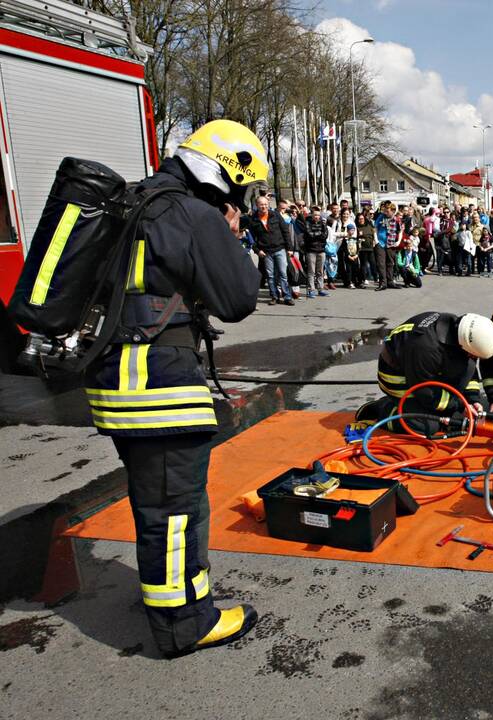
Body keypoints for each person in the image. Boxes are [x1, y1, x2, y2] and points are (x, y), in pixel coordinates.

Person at [84, 119, 266, 657]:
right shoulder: (189, 214)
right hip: (158, 384)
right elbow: (238, 298)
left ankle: (162, 594)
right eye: (241, 190)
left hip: (116, 380)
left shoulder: (133, 203)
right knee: (176, 508)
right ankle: (184, 621)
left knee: (153, 498)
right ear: (224, 175)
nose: (241, 201)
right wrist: (228, 236)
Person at [357, 312, 493, 435]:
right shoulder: (426, 347)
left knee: (467, 366)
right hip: (397, 378)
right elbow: (426, 393)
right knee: (428, 425)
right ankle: (384, 409)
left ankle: (410, 407)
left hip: (419, 372)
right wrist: (460, 405)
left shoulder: (457, 330)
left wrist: (472, 400)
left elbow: (468, 367)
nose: (475, 359)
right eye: (474, 355)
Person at [246, 195, 292, 305]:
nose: (264, 206)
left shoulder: (275, 215)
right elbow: (251, 238)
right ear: (257, 205)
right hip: (266, 252)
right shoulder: (253, 219)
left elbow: (285, 231)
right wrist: (257, 251)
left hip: (279, 248)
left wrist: (289, 248)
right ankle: (274, 296)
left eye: (266, 204)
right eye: (261, 204)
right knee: (270, 276)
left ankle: (287, 296)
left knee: (283, 274)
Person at [300, 205, 329, 298]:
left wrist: (316, 235)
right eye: (315, 215)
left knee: (320, 271)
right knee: (311, 271)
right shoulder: (307, 223)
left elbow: (325, 236)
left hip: (321, 250)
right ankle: (311, 290)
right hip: (311, 250)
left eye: (318, 215)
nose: (317, 216)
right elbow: (309, 235)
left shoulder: (323, 224)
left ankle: (320, 289)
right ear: (312, 215)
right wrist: (319, 234)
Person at [373, 200, 399, 290]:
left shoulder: (396, 219)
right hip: (381, 242)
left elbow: (401, 230)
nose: (385, 212)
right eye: (385, 210)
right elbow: (375, 227)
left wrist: (398, 241)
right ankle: (383, 283)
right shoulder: (381, 217)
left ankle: (390, 281)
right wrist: (376, 240)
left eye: (387, 211)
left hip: (390, 243)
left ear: (393, 211)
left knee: (390, 263)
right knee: (381, 263)